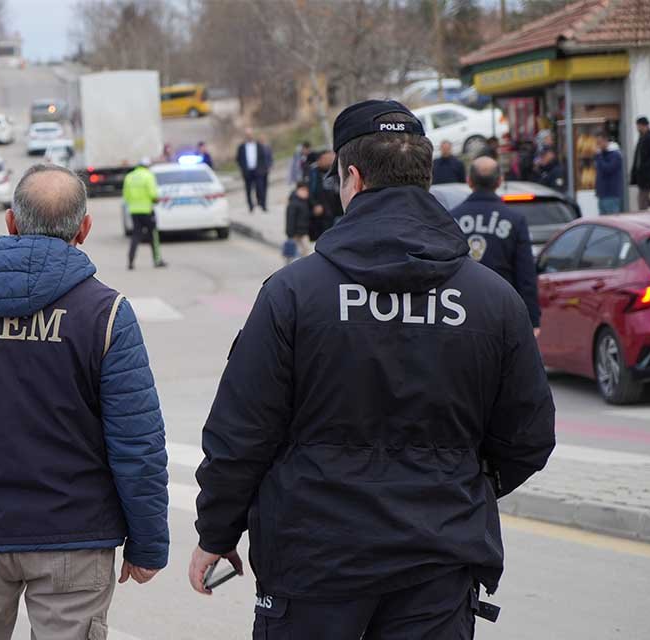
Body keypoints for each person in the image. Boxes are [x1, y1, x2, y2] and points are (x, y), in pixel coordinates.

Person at [188, 100, 555, 639]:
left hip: (313, 560)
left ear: (352, 178)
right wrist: (459, 483)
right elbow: (529, 437)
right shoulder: (493, 300)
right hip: (438, 562)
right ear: (425, 176)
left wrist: (217, 531)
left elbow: (242, 433)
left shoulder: (294, 293)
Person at [0, 163, 169, 640]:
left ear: (10, 222)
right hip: (75, 539)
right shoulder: (106, 313)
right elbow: (137, 442)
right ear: (84, 228)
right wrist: (147, 544)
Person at [450, 156, 541, 333]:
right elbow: (525, 275)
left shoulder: (451, 218)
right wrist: (532, 319)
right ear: (499, 181)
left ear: (469, 181)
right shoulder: (515, 220)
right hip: (502, 311)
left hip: (457, 310)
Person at [123, 157, 166, 270]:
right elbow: (153, 194)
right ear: (147, 166)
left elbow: (126, 196)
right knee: (153, 235)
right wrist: (156, 200)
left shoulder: (129, 177)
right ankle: (157, 260)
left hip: (134, 211)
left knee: (136, 236)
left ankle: (131, 261)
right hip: (147, 211)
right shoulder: (148, 175)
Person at [307, 150, 342, 241]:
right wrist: (315, 204)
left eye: (332, 158)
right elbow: (309, 190)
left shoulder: (337, 169)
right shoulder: (313, 173)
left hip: (338, 208)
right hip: (324, 210)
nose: (331, 160)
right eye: (328, 158)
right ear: (320, 160)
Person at [237, 128, 273, 212]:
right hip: (247, 171)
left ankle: (262, 204)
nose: (249, 136)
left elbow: (262, 158)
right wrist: (243, 169)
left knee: (260, 188)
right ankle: (250, 206)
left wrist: (263, 168)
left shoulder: (258, 145)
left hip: (257, 171)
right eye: (247, 135)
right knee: (248, 190)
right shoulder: (241, 147)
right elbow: (239, 159)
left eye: (250, 134)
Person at [594, 133, 625, 214]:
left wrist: (599, 156)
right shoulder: (602, 155)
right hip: (602, 194)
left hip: (611, 193)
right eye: (597, 143)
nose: (598, 146)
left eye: (599, 143)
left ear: (605, 141)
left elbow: (608, 169)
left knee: (612, 219)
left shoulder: (615, 155)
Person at [285, 181, 312, 261]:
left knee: (306, 251)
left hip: (304, 232)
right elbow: (290, 220)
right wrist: (290, 234)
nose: (306, 193)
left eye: (307, 191)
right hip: (295, 234)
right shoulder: (293, 203)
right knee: (292, 253)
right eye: (303, 190)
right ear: (298, 190)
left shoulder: (306, 202)